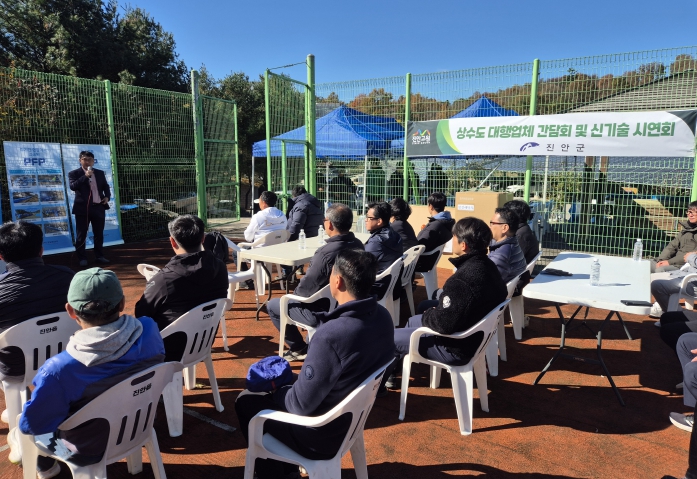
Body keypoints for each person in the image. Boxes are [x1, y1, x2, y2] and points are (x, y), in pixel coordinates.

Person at [235, 249, 394, 479]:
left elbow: (298, 405)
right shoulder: (383, 317)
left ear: (337, 281)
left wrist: (276, 390)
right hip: (351, 422)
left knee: (247, 402)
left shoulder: (330, 335)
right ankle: (286, 469)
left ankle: (279, 473)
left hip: (320, 436)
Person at [14, 268, 165, 476]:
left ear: (70, 311)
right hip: (137, 428)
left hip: (84, 451)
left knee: (20, 432)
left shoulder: (58, 370)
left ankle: (45, 467)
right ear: (122, 303)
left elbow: (33, 424)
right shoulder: (149, 329)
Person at [389, 218, 507, 387]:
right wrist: (434, 312)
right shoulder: (489, 266)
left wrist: (430, 314)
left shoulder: (464, 278)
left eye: (454, 237)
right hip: (474, 337)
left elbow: (444, 324)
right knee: (414, 319)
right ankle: (394, 371)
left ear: (463, 245)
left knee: (390, 338)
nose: (452, 240)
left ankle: (380, 385)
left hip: (456, 346)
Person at [267, 204, 365, 361]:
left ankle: (298, 348)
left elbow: (305, 290)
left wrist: (292, 297)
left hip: (322, 312)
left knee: (274, 304)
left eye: (325, 220)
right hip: (350, 303)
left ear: (330, 224)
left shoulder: (325, 253)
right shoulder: (359, 245)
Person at [134, 215, 228, 361]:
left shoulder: (164, 279)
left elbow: (141, 313)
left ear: (172, 241)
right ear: (203, 238)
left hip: (168, 350)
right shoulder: (220, 267)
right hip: (204, 342)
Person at [0, 221, 74, 384]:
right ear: (41, 250)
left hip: (16, 370)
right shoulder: (69, 277)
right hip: (66, 359)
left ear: (1, 256)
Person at [68, 151, 111, 267]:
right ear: (80, 160)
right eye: (85, 159)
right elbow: (73, 186)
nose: (87, 162)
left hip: (99, 207)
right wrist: (85, 176)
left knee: (99, 233)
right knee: (81, 234)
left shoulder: (100, 173)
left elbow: (106, 187)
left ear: (93, 161)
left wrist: (107, 197)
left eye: (90, 160)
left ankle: (99, 256)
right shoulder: (74, 173)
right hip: (83, 209)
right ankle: (82, 258)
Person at [414, 192, 455, 273]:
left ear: (431, 206)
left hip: (422, 262)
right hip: (430, 260)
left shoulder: (435, 226)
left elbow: (419, 246)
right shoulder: (447, 222)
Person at [653, 202, 697, 274]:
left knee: (660, 270)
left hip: (684, 266)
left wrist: (669, 262)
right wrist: (661, 260)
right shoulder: (686, 228)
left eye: (693, 212)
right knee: (644, 265)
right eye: (688, 212)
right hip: (672, 261)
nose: (690, 215)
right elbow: (672, 246)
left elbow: (691, 256)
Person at [488, 207, 527, 284]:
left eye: (492, 223)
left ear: (504, 228)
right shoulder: (512, 243)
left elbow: (487, 282)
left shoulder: (501, 255)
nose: (490, 227)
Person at [504, 199, 540, 264]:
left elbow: (508, 260)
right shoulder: (523, 230)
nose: (502, 216)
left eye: (504, 213)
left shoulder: (520, 236)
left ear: (513, 216)